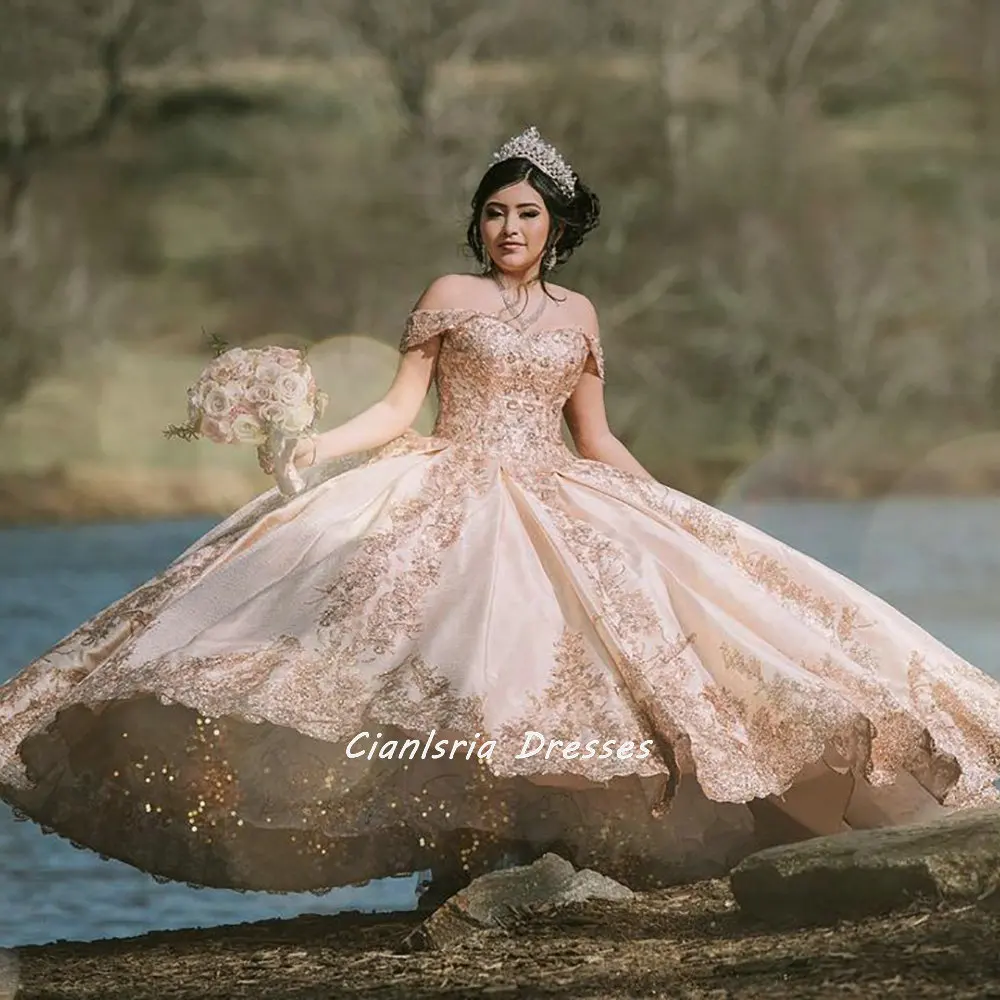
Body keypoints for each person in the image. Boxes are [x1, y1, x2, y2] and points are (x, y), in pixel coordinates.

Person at [2, 126, 999, 908]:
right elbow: (401, 408)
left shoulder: (580, 317)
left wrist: (670, 509)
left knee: (617, 659)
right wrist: (315, 449)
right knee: (467, 665)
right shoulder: (447, 294)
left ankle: (552, 847)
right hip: (454, 488)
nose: (508, 229)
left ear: (555, 227)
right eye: (493, 213)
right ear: (475, 226)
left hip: (563, 493)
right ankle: (482, 851)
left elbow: (595, 437)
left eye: (526, 214)